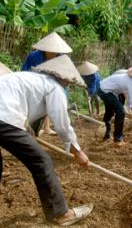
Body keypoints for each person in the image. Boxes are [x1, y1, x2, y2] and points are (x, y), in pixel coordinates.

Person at [0, 55, 93, 226]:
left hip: (5, 114)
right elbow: (62, 124)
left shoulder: (32, 79)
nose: (68, 84)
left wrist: (27, 130)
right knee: (41, 161)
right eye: (69, 81)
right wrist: (77, 151)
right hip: (4, 117)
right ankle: (61, 214)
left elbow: (22, 106)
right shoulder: (54, 87)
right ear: (63, 77)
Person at [21, 32, 73, 136]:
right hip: (34, 85)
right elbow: (24, 71)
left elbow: (66, 78)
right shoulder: (33, 56)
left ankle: (45, 127)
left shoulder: (63, 59)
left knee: (48, 107)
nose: (52, 52)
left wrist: (63, 96)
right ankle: (30, 128)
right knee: (32, 110)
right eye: (50, 50)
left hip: (53, 87)